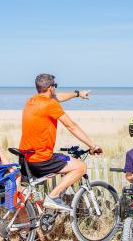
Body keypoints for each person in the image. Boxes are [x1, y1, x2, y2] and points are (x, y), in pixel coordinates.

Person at [18, 73, 102, 211]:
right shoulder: (50, 104)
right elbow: (71, 126)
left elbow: (58, 98)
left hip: (25, 158)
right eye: (55, 87)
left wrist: (78, 93)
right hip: (41, 160)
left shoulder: (31, 101)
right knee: (80, 167)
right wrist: (92, 145)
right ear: (51, 88)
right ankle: (53, 196)